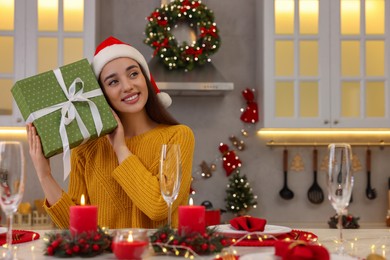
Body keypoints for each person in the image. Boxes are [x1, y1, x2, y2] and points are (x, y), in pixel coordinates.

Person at [27, 36, 195, 229]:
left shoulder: (178, 136)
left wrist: (120, 148)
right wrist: (44, 174)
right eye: (113, 82)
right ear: (101, 94)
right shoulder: (86, 149)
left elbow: (159, 207)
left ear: (145, 78)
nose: (127, 86)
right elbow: (76, 226)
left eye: (133, 74)